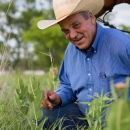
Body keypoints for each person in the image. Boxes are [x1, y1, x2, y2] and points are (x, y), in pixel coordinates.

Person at [37, 0, 130, 129]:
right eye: (66, 31)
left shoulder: (121, 43)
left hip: (120, 122)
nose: (73, 35)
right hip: (87, 121)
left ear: (91, 18)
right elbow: (67, 85)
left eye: (76, 25)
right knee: (50, 113)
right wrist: (58, 97)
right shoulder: (71, 50)